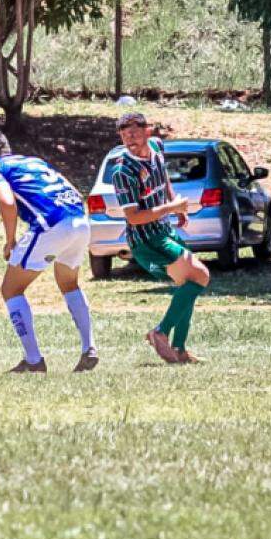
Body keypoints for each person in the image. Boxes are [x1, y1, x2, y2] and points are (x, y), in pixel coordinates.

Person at [0, 130, 98, 374]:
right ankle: (89, 348)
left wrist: (10, 241)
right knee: (69, 284)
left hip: (51, 224)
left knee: (11, 289)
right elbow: (72, 190)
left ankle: (33, 360)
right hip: (80, 222)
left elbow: (7, 202)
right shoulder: (34, 161)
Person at [110, 112, 209, 364]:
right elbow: (133, 217)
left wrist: (175, 202)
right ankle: (160, 332)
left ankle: (179, 350)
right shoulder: (123, 171)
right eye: (124, 135)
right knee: (200, 276)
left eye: (133, 133)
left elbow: (163, 176)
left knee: (189, 283)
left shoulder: (156, 147)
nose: (129, 139)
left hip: (164, 230)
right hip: (146, 240)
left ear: (147, 131)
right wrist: (171, 208)